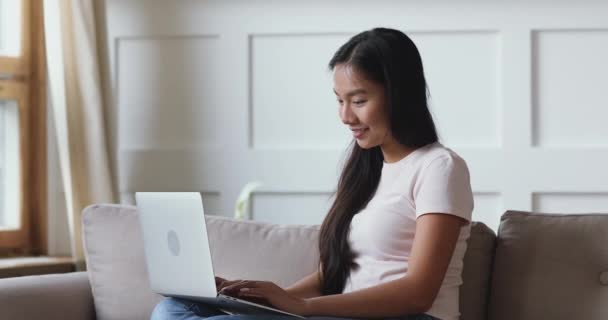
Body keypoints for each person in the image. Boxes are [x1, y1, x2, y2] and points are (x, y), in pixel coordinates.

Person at [151, 27, 474, 320]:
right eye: (339, 101)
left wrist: (303, 308)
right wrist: (264, 297)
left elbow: (419, 293)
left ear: (399, 95)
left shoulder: (439, 167)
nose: (346, 116)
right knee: (173, 308)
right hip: (338, 316)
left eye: (359, 100)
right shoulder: (367, 167)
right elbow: (333, 276)